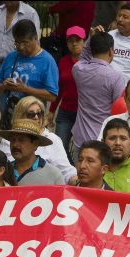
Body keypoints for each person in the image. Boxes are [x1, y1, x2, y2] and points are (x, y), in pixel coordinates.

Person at [0, 97, 76, 184]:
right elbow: (10, 167)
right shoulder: (7, 141)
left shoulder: (53, 139)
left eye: (39, 113)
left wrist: (77, 181)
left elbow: (66, 170)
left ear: (36, 144)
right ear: (20, 115)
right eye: (31, 114)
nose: (36, 117)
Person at [70, 30, 126, 151]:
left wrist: (91, 39)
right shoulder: (116, 76)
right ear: (111, 51)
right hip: (103, 141)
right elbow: (118, 111)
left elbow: (83, 56)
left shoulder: (78, 69)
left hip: (80, 139)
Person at [0, 19, 58, 118]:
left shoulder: (47, 61)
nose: (21, 47)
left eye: (25, 42)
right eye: (17, 43)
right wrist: (4, 86)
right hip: (9, 118)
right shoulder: (11, 57)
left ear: (36, 38)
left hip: (33, 121)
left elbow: (52, 96)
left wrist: (25, 89)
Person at [47, 26, 84, 160]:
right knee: (59, 147)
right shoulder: (63, 62)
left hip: (84, 113)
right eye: (70, 41)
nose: (74, 44)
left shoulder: (90, 62)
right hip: (65, 111)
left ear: (84, 42)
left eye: (78, 40)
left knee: (82, 150)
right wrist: (51, 110)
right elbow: (59, 88)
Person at [0, 118, 63, 186]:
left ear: (35, 144)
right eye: (12, 140)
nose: (15, 144)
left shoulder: (53, 175)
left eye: (21, 140)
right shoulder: (2, 172)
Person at [101, 118, 130, 194]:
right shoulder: (94, 169)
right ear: (102, 142)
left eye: (123, 138)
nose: (117, 143)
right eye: (112, 138)